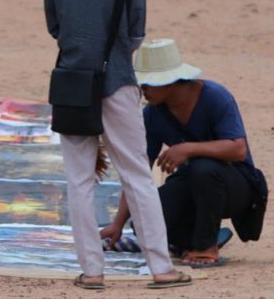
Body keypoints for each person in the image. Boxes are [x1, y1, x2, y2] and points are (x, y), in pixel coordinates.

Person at [42, 0, 190, 291]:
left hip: (71, 80)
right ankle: (160, 267)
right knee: (136, 175)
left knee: (79, 179)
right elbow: (136, 30)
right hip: (118, 78)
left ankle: (92, 271)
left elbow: (55, 26)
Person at [100, 39, 264, 268]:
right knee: (144, 220)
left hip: (236, 187)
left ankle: (206, 247)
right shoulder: (153, 113)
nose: (142, 90)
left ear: (168, 82)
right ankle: (191, 240)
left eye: (146, 84)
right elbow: (138, 169)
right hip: (193, 184)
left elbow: (238, 149)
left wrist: (188, 148)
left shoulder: (216, 97)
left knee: (203, 168)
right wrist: (118, 223)